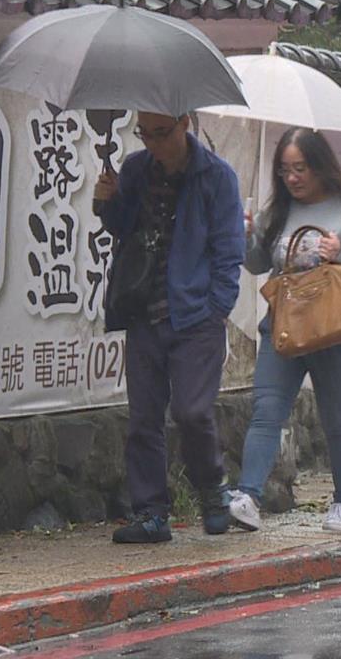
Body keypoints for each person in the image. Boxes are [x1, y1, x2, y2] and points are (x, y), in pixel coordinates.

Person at [228, 128, 341, 534]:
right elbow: (255, 263)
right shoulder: (276, 211)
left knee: (336, 418)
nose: (292, 178)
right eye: (284, 171)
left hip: (334, 329)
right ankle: (248, 496)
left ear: (320, 166)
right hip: (282, 328)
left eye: (300, 169)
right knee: (266, 411)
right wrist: (246, 234)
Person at [94, 112, 244, 544]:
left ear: (185, 123)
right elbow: (123, 228)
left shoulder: (216, 177)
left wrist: (216, 309)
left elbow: (229, 251)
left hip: (196, 317)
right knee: (143, 418)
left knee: (191, 413)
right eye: (145, 133)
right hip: (144, 311)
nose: (154, 143)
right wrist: (107, 201)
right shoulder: (137, 168)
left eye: (162, 133)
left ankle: (213, 490)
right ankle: (151, 513)